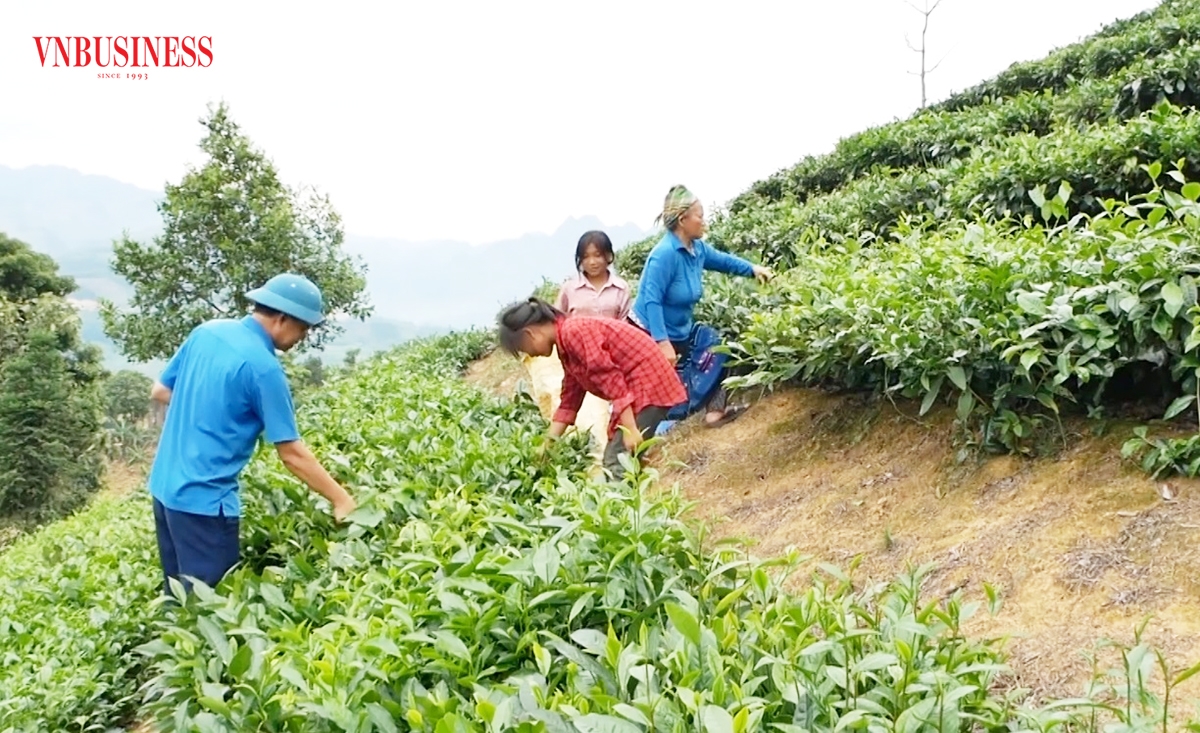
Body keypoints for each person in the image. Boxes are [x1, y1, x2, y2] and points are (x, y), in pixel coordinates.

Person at [147, 272, 357, 596]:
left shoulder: (207, 332)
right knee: (209, 607)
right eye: (303, 328)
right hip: (204, 504)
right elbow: (292, 454)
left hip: (165, 490)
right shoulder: (264, 369)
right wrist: (341, 499)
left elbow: (160, 391)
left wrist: (212, 411)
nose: (302, 337)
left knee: (177, 597)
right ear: (282, 319)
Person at [629, 184, 773, 428]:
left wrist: (753, 269)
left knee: (719, 347)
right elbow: (652, 300)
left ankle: (715, 411)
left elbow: (724, 261)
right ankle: (643, 436)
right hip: (648, 334)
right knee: (654, 395)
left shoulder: (697, 249)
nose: (703, 221)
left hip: (679, 332)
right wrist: (661, 342)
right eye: (700, 216)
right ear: (683, 220)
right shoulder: (663, 255)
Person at [497, 298, 686, 478]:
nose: (530, 354)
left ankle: (626, 499)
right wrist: (548, 445)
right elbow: (571, 398)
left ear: (530, 334)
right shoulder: (566, 342)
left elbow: (610, 378)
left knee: (616, 461)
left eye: (524, 349)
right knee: (622, 456)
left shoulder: (573, 332)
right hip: (642, 385)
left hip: (648, 385)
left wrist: (630, 429)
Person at [554, 230, 632, 320]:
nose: (592, 262)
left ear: (608, 256)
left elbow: (625, 324)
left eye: (597, 255)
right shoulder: (569, 288)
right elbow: (557, 320)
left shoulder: (621, 289)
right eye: (586, 256)